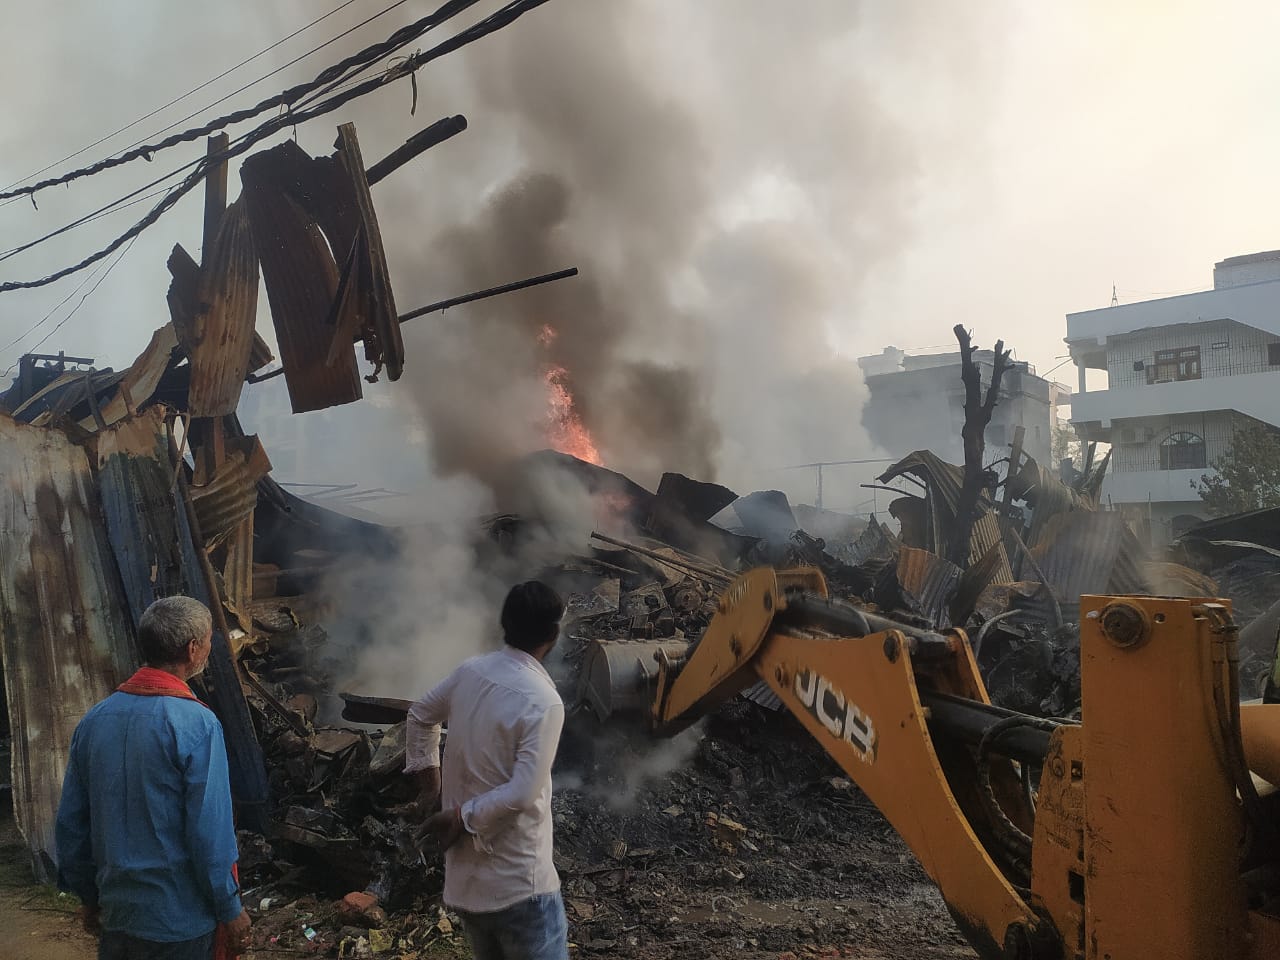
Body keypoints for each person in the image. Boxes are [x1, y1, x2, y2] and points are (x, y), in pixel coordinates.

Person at [55, 596, 251, 960]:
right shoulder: (198, 724)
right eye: (209, 639)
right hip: (180, 923)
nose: (210, 647)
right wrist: (230, 908)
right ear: (193, 649)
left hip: (118, 916)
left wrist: (89, 897)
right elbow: (210, 835)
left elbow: (71, 826)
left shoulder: (94, 720)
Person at [406, 580, 569, 960]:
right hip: (520, 886)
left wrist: (430, 785)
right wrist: (461, 816)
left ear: (505, 624)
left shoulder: (471, 672)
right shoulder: (543, 701)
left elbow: (420, 716)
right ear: (552, 635)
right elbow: (523, 793)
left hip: (467, 888)